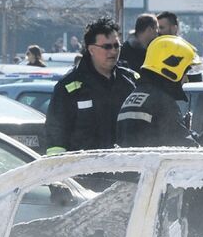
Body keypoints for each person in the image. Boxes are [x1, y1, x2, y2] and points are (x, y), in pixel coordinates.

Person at [44, 16, 138, 154]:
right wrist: (61, 173)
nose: (113, 51)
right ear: (91, 50)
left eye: (116, 45)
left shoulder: (130, 82)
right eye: (107, 46)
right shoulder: (69, 88)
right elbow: (56, 137)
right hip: (84, 172)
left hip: (127, 169)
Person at [116, 35, 203, 147]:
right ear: (171, 69)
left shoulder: (134, 97)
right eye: (185, 72)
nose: (186, 79)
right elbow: (183, 150)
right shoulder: (162, 103)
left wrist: (198, 138)